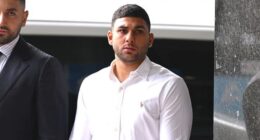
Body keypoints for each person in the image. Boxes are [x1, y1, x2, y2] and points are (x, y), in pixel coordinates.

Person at [70, 4, 192, 140]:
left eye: (138, 31)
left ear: (150, 39)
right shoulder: (91, 85)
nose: (129, 38)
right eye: (122, 30)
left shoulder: (170, 85)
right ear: (110, 37)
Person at [0, 0, 69, 139]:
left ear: (24, 18)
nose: (1, 21)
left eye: (11, 13)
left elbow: (52, 135)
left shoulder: (45, 66)